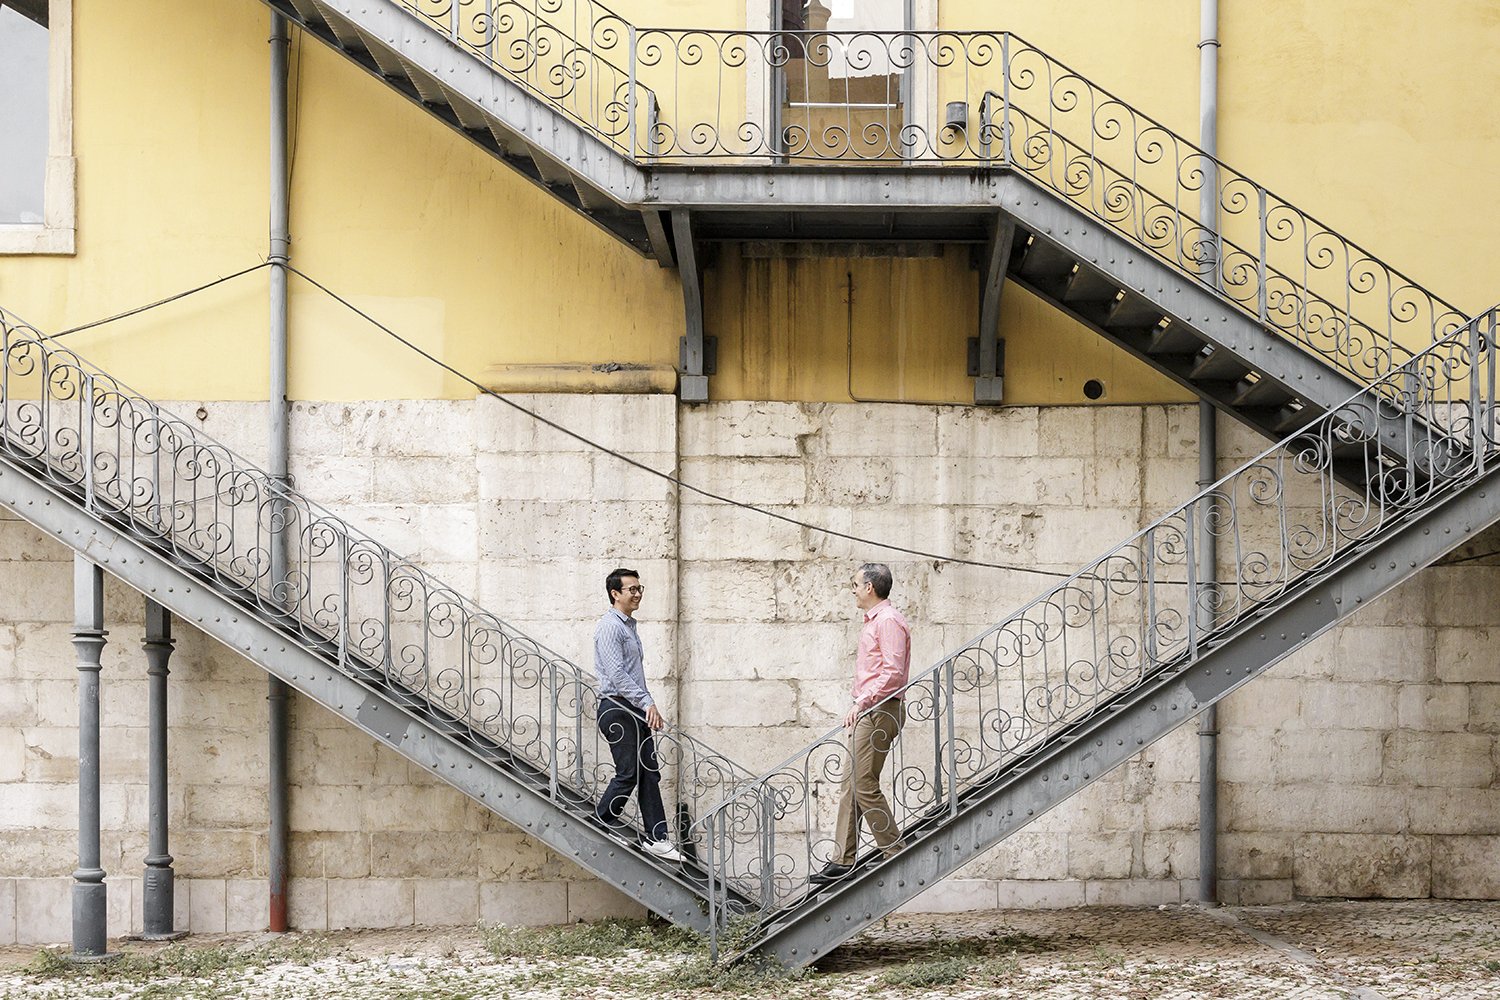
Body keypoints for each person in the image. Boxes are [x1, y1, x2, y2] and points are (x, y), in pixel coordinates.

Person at [810, 562, 912, 886]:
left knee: (863, 783)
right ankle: (842, 859)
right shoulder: (875, 621)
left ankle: (895, 851)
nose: (852, 589)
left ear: (870, 587)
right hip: (872, 710)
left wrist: (862, 701)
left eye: (854, 584)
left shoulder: (889, 621)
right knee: (850, 783)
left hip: (881, 711)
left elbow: (893, 673)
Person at [592, 567, 684, 863]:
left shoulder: (628, 626)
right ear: (614, 594)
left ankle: (658, 838)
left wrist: (643, 706)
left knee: (648, 773)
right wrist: (648, 702)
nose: (637, 593)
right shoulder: (611, 627)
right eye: (631, 589)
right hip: (618, 708)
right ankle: (603, 820)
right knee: (629, 772)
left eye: (639, 588)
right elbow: (617, 675)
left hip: (632, 709)